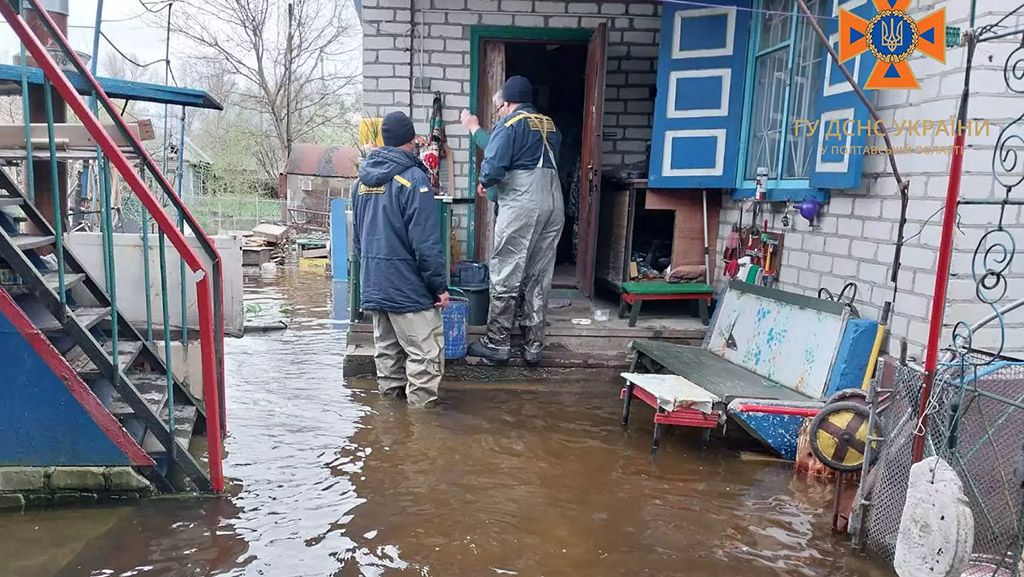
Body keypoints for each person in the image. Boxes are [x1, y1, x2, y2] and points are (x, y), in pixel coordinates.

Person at [352, 111, 449, 407]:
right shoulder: (415, 180)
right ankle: (420, 437)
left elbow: (357, 242)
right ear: (411, 141)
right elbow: (426, 244)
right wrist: (439, 288)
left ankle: (391, 432)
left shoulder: (361, 183)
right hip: (408, 291)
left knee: (388, 361)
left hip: (375, 288)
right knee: (424, 360)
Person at [465, 76, 564, 364]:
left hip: (524, 202)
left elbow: (494, 166)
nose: (500, 113)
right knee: (539, 273)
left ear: (507, 104)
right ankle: (533, 345)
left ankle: (497, 342)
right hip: (553, 201)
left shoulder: (509, 124)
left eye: (499, 108)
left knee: (507, 267)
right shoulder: (549, 124)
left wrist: (485, 181)